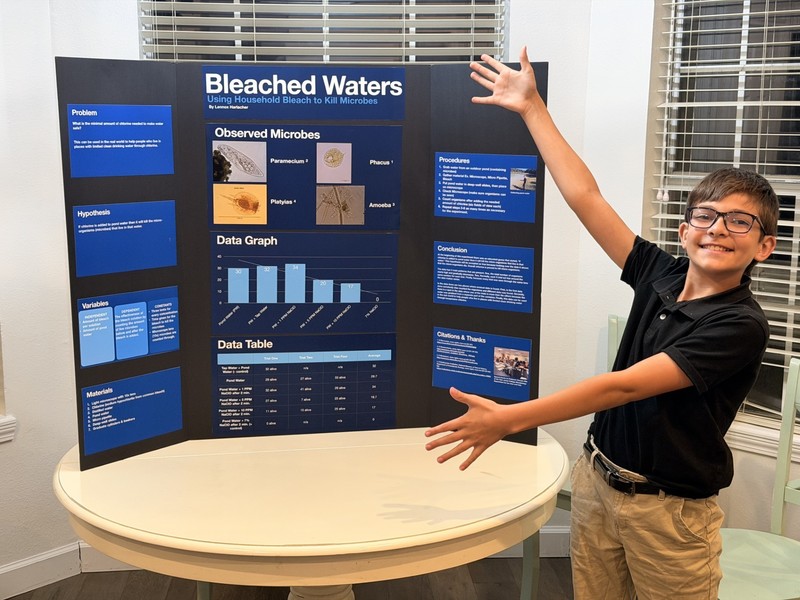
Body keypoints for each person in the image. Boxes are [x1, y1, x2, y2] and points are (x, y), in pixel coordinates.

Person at [424, 47, 778, 599]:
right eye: (706, 216)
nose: (718, 229)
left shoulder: (740, 325)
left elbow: (622, 386)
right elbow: (584, 196)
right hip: (598, 480)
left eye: (740, 221)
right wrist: (532, 108)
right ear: (685, 230)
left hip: (670, 513)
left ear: (764, 245)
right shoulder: (660, 272)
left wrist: (511, 418)